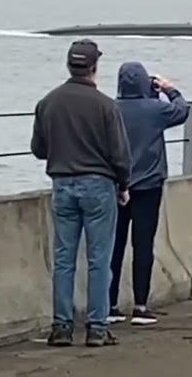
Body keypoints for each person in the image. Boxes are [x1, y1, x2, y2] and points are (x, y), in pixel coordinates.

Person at [31, 39, 130, 347]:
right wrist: (123, 185)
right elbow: (120, 156)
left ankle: (62, 327)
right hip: (99, 186)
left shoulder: (48, 103)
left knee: (63, 258)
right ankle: (97, 327)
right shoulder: (105, 106)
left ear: (69, 66)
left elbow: (38, 149)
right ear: (94, 67)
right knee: (99, 258)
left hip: (62, 184)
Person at [108, 62, 190, 326]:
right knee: (143, 245)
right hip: (149, 186)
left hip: (117, 186)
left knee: (114, 246)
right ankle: (141, 305)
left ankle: (110, 304)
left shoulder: (111, 109)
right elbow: (182, 111)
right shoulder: (155, 110)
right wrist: (169, 89)